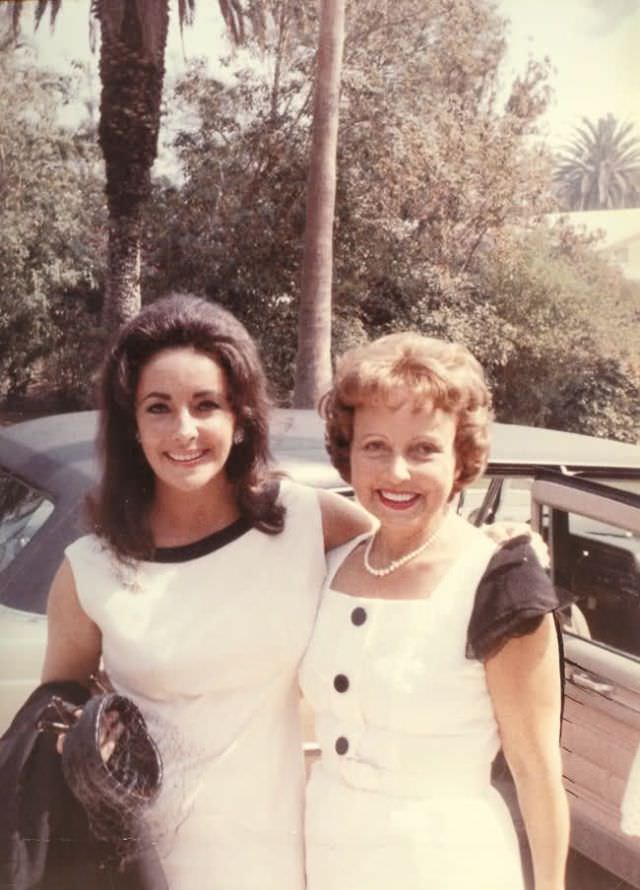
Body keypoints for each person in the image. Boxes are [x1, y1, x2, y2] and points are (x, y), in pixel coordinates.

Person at [40, 293, 370, 890]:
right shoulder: (89, 570)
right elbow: (51, 725)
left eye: (206, 405)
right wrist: (82, 739)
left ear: (240, 417)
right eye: (159, 408)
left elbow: (410, 558)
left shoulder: (303, 521)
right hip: (139, 867)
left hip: (279, 860)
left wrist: (490, 549)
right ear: (132, 425)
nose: (184, 430)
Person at [300, 332, 569, 890]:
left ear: (461, 458)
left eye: (423, 449)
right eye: (374, 446)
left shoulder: (501, 582)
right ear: (347, 451)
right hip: (330, 855)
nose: (396, 472)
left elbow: (537, 773)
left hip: (446, 864)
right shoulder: (328, 560)